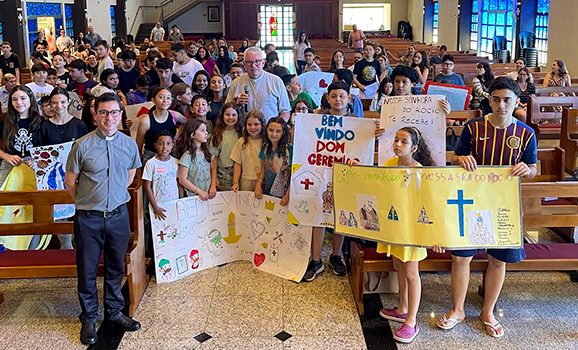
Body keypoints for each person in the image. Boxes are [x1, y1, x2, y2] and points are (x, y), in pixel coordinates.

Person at [436, 77, 537, 338]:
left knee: (498, 259)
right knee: (461, 256)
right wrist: (462, 158)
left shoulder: (526, 134)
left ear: (517, 102)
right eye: (496, 99)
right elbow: (456, 157)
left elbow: (533, 168)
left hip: (505, 204)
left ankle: (487, 311)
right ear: (489, 100)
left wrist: (527, 170)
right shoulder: (473, 128)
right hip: (471, 201)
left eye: (507, 100)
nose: (501, 105)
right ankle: (458, 309)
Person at [349, 127, 443, 343]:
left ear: (415, 148)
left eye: (403, 142)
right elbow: (376, 184)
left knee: (411, 272)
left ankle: (411, 321)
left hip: (412, 231)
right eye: (396, 140)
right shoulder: (391, 164)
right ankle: (403, 307)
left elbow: (430, 205)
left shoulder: (420, 172)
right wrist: (356, 170)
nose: (397, 145)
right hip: (394, 228)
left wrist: (434, 235)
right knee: (398, 265)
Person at [65, 93, 142, 346]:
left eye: (115, 112)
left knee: (115, 267)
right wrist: (91, 203)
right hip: (89, 219)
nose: (110, 118)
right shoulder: (82, 145)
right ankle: (88, 317)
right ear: (95, 114)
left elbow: (130, 177)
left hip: (118, 216)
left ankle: (114, 312)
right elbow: (70, 183)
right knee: (87, 270)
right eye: (104, 112)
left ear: (121, 114)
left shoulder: (128, 144)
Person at [303, 81, 383, 282]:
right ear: (327, 98)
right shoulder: (316, 119)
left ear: (349, 98)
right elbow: (305, 140)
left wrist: (376, 133)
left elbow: (362, 145)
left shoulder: (357, 121)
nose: (338, 100)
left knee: (341, 216)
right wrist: (299, 124)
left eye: (342, 96)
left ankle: (336, 255)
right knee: (318, 216)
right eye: (334, 96)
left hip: (345, 175)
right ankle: (315, 259)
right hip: (321, 173)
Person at [39, 88, 88, 249]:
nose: (58, 105)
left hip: (77, 173)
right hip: (54, 175)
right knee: (60, 209)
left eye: (62, 102)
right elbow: (41, 152)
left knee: (79, 208)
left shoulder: (79, 124)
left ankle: (81, 241)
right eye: (54, 102)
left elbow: (86, 150)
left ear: (68, 103)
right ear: (50, 105)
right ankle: (65, 245)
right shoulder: (44, 126)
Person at [226, 46, 291, 122]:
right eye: (249, 62)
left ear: (263, 63)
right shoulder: (236, 83)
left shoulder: (276, 81)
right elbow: (227, 110)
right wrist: (236, 104)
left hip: (270, 130)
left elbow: (285, 111)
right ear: (244, 64)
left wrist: (277, 128)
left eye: (257, 61)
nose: (253, 65)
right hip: (244, 130)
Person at [0, 86, 43, 187]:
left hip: (34, 165)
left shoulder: (41, 121)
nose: (19, 102)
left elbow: (47, 147)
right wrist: (5, 156)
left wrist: (37, 159)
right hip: (10, 164)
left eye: (23, 98)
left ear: (31, 98)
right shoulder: (4, 120)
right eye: (14, 99)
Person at [136, 87, 186, 163]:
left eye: (168, 98)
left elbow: (189, 123)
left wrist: (177, 136)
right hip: (150, 157)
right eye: (161, 97)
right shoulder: (146, 120)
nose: (165, 100)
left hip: (170, 155)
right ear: (153, 100)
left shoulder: (175, 115)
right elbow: (138, 146)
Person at [254, 117, 292, 206]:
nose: (274, 134)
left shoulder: (290, 150)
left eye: (278, 131)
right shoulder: (265, 148)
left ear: (283, 133)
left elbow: (294, 175)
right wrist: (258, 185)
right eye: (271, 130)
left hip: (283, 193)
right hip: (267, 190)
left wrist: (288, 195)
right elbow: (264, 166)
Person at [177, 118, 216, 200]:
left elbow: (213, 168)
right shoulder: (187, 156)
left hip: (207, 193)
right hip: (193, 196)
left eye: (206, 130)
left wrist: (213, 186)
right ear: (192, 135)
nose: (206, 133)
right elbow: (182, 180)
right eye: (202, 130)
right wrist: (199, 191)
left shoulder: (207, 152)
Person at [231, 109, 266, 192]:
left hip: (262, 181)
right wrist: (235, 182)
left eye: (256, 124)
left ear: (262, 125)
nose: (253, 127)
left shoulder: (266, 142)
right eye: (249, 124)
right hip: (245, 181)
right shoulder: (241, 142)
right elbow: (237, 164)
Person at [209, 103, 242, 191]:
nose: (230, 117)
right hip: (222, 173)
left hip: (240, 171)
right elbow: (214, 159)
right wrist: (214, 178)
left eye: (234, 115)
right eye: (227, 114)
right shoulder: (217, 134)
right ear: (222, 115)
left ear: (238, 116)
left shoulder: (242, 133)